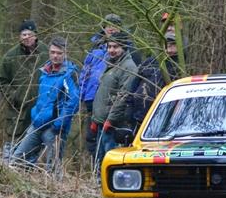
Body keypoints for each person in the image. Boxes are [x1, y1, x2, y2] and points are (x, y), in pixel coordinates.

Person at [12, 36, 80, 174]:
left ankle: (55, 192)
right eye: (53, 52)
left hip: (54, 128)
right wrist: (35, 114)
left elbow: (73, 101)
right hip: (37, 123)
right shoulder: (44, 72)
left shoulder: (69, 74)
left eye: (59, 53)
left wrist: (59, 125)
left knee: (53, 168)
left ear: (65, 54)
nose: (55, 56)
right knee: (17, 159)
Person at [0, 19, 48, 160]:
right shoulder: (10, 57)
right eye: (23, 34)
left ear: (36, 35)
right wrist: (14, 97)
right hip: (18, 110)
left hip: (40, 108)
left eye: (29, 34)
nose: (26, 37)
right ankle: (9, 169)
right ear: (19, 37)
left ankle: (29, 171)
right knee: (14, 141)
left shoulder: (46, 53)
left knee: (36, 141)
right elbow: (2, 81)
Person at [88, 31, 138, 177]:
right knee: (99, 161)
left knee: (110, 164)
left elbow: (123, 97)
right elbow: (102, 94)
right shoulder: (111, 64)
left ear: (123, 48)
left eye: (115, 47)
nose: (111, 50)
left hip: (113, 125)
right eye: (109, 46)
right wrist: (95, 119)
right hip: (101, 122)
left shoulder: (128, 67)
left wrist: (111, 120)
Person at [78, 14, 123, 159]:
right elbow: (85, 71)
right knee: (91, 138)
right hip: (90, 99)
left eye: (114, 25)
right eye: (108, 25)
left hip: (107, 102)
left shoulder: (123, 49)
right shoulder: (95, 47)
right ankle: (94, 171)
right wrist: (82, 94)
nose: (111, 28)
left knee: (106, 138)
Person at [126, 31, 182, 134]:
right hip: (139, 115)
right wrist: (129, 108)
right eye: (166, 45)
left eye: (173, 45)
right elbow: (133, 86)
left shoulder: (180, 67)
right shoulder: (150, 62)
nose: (169, 49)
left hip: (162, 119)